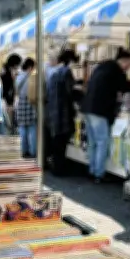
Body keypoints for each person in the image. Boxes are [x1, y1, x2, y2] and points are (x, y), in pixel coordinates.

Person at [82, 47, 130, 184]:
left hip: (88, 108)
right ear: (125, 61)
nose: (129, 67)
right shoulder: (116, 71)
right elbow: (126, 87)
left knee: (93, 142)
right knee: (102, 142)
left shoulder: (103, 66)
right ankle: (99, 174)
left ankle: (92, 170)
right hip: (100, 110)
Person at [46, 48, 77, 176]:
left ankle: (56, 167)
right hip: (63, 112)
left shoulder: (53, 72)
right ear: (70, 60)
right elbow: (71, 92)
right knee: (62, 142)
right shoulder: (66, 72)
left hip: (53, 111)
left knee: (56, 141)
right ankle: (60, 169)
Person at [15, 57, 37, 158]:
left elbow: (16, 91)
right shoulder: (31, 77)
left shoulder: (18, 77)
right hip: (30, 103)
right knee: (32, 128)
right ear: (30, 67)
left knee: (22, 129)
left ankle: (24, 151)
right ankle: (33, 151)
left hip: (20, 103)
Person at [1, 53, 22, 132]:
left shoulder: (6, 72)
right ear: (14, 64)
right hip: (7, 104)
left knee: (10, 126)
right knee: (9, 126)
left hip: (8, 103)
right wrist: (9, 103)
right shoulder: (6, 75)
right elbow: (6, 91)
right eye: (18, 65)